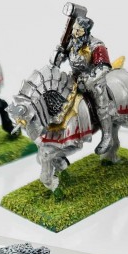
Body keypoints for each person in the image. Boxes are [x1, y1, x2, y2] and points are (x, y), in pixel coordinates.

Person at [52, 16, 114, 154]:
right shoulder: (72, 42)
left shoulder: (97, 45)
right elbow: (56, 61)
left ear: (86, 31)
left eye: (78, 31)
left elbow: (103, 68)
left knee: (101, 106)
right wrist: (58, 54)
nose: (75, 33)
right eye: (74, 30)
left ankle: (107, 136)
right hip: (74, 78)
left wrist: (88, 81)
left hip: (94, 80)